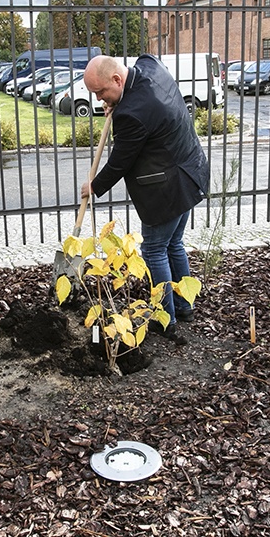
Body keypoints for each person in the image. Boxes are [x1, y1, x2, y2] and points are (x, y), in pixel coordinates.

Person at [80, 54, 210, 345]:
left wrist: (94, 186)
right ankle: (185, 306)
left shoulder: (131, 114)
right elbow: (135, 100)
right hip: (190, 172)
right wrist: (115, 102)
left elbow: (120, 162)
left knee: (154, 250)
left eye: (101, 92)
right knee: (173, 243)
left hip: (167, 190)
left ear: (116, 79)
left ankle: (166, 321)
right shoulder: (150, 66)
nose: (99, 98)